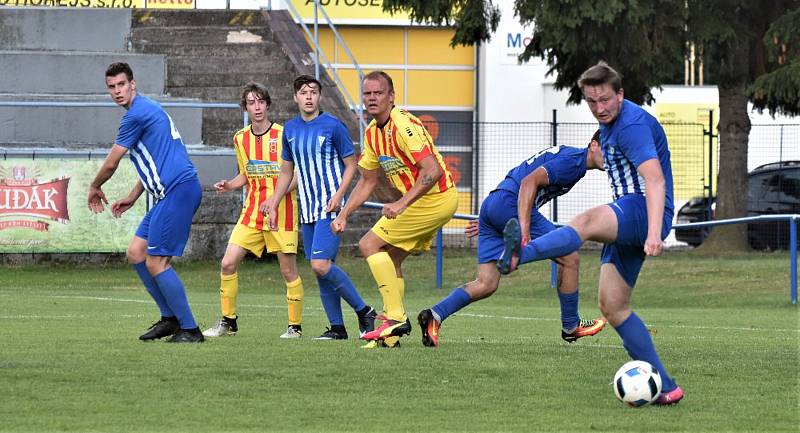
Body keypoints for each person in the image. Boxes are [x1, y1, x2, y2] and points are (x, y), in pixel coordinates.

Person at [497, 61, 683, 405]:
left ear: (620, 94)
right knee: (613, 307)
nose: (599, 108)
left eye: (605, 100)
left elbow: (655, 180)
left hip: (644, 210)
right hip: (633, 214)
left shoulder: (633, 125)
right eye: (592, 102)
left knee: (583, 223)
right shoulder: (609, 127)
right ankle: (667, 387)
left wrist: (655, 232)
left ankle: (519, 254)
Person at [417, 133, 607, 348]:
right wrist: (523, 228)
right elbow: (528, 182)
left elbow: (524, 181)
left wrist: (497, 214)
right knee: (569, 255)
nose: (611, 156)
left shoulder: (570, 157)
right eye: (607, 148)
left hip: (496, 203)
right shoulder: (574, 162)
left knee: (486, 283)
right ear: (593, 145)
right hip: (509, 204)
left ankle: (435, 314)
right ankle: (571, 326)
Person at [331, 70, 459, 348]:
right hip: (426, 202)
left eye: (379, 93)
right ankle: (391, 338)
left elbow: (432, 171)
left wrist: (401, 203)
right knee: (392, 260)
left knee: (368, 245)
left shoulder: (403, 125)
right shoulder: (372, 133)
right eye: (367, 93)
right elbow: (367, 180)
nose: (372, 98)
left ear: (391, 96)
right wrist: (343, 214)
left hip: (435, 199)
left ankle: (396, 318)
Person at [88, 62, 203, 343]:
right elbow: (159, 158)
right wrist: (133, 195)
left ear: (133, 84)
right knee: (136, 252)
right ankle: (170, 318)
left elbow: (112, 162)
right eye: (111, 87)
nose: (117, 91)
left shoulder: (135, 116)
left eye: (121, 85)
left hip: (179, 190)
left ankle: (190, 329)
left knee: (157, 262)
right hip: (172, 192)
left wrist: (94, 186)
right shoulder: (149, 108)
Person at [265, 75, 376, 341]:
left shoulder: (333, 126)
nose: (308, 96)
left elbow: (352, 165)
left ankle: (365, 310)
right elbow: (286, 171)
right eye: (303, 92)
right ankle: (337, 328)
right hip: (308, 210)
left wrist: (340, 197)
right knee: (322, 270)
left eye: (313, 92)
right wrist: (275, 202)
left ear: (319, 96)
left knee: (320, 265)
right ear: (295, 97)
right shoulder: (289, 130)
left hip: (330, 208)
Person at [202, 82, 305, 339]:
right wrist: (229, 184)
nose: (257, 107)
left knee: (287, 271)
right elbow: (246, 174)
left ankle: (295, 327)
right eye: (251, 102)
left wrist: (275, 199)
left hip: (282, 214)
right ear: (245, 107)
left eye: (260, 101)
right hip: (252, 214)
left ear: (267, 104)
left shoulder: (284, 134)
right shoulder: (240, 138)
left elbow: (296, 176)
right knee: (227, 264)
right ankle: (228, 322)